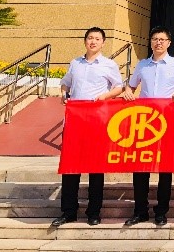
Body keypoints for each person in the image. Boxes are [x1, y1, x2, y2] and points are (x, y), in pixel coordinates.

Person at [51, 27, 124, 227]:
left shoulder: (109, 64)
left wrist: (105, 96)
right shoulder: (75, 63)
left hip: (97, 122)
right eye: (90, 38)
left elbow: (119, 87)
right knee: (70, 168)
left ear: (103, 43)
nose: (93, 41)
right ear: (85, 41)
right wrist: (64, 93)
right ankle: (68, 212)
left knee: (95, 168)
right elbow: (65, 83)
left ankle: (94, 212)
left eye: (97, 39)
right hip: (74, 121)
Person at [121, 26, 174, 227]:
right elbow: (131, 86)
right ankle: (140, 211)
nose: (158, 42)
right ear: (151, 42)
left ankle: (161, 211)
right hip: (145, 121)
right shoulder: (142, 65)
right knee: (140, 168)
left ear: (169, 43)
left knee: (165, 168)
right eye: (155, 39)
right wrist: (128, 91)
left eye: (162, 39)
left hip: (168, 121)